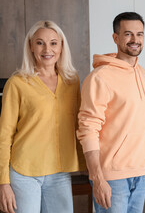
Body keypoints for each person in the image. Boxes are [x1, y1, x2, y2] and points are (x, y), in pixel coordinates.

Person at [0, 20, 85, 213]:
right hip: (24, 172)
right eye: (40, 42)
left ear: (62, 46)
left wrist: (87, 165)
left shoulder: (72, 81)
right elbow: (4, 136)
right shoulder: (17, 83)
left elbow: (78, 125)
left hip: (60, 171)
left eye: (54, 43)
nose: (47, 49)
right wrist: (3, 183)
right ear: (30, 46)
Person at [76, 12, 145, 213]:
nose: (135, 40)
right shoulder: (100, 77)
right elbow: (88, 128)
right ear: (115, 37)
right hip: (112, 176)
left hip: (141, 171)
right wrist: (98, 177)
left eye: (140, 34)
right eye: (128, 34)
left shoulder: (144, 74)